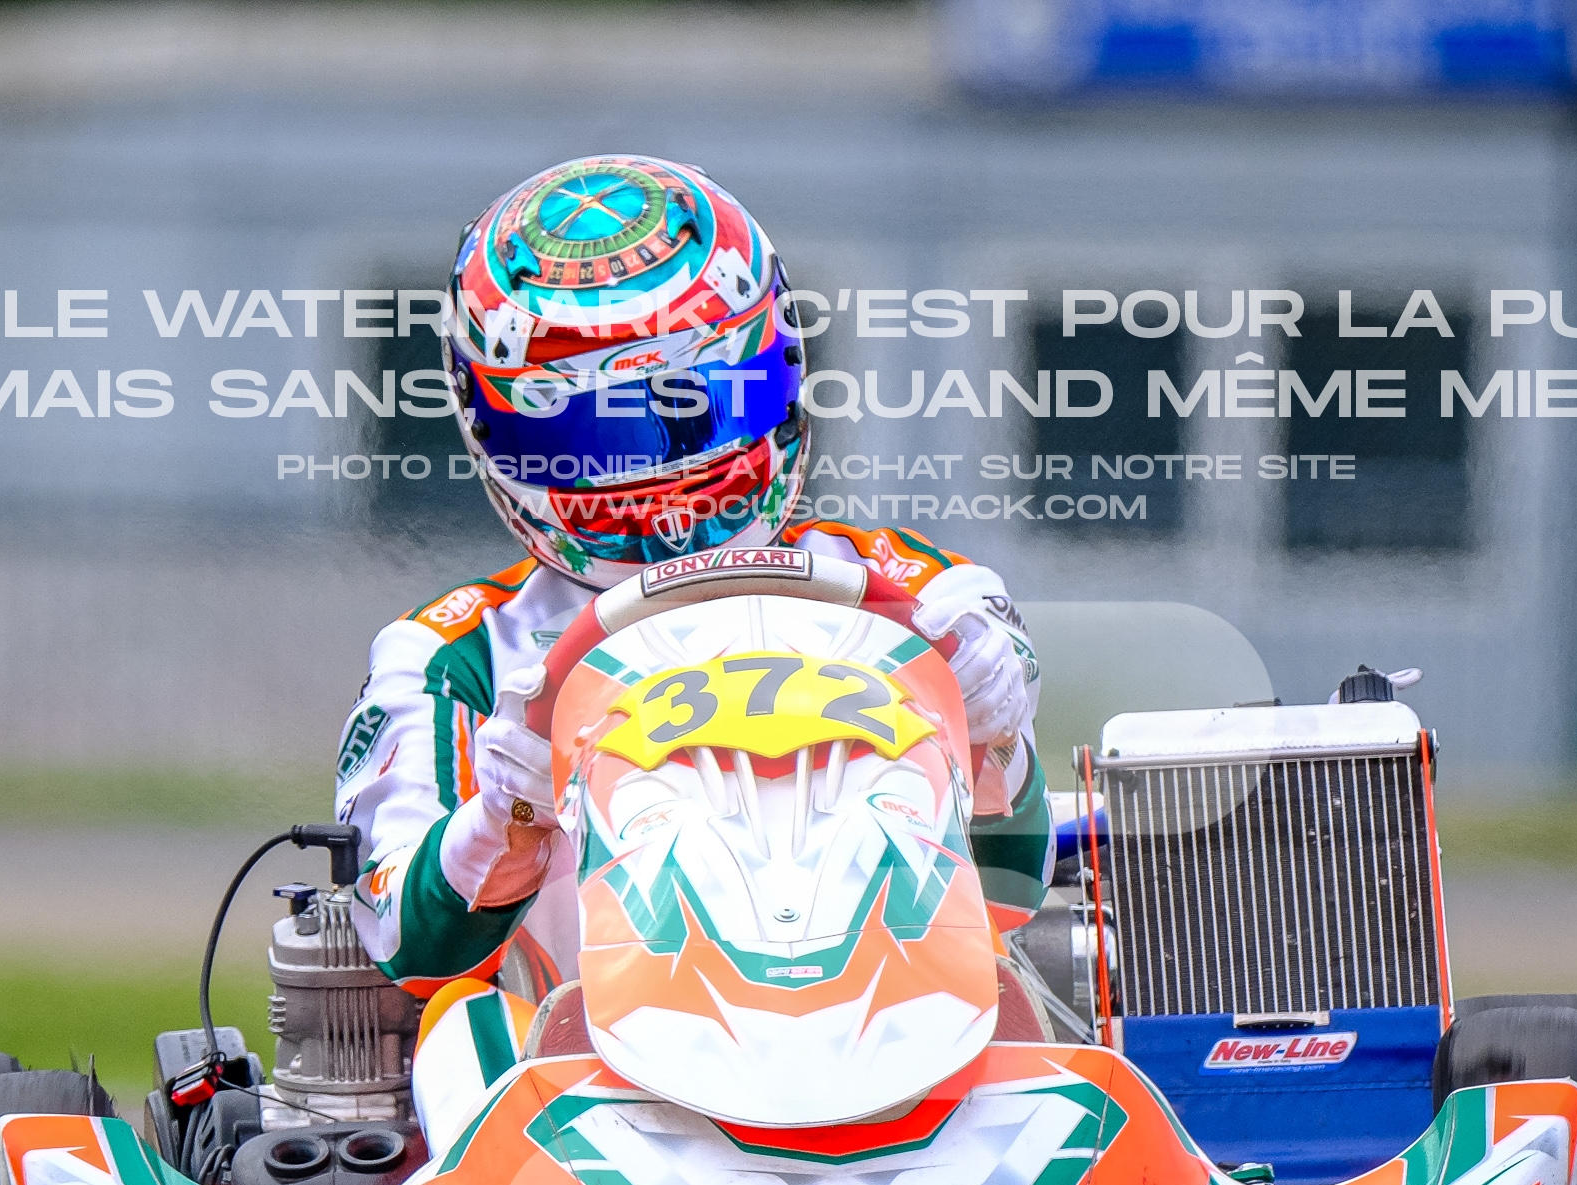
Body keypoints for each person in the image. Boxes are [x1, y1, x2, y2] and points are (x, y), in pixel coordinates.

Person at [335, 154, 1049, 996]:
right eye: (599, 430)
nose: (662, 466)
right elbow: (405, 945)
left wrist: (995, 739)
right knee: (461, 1040)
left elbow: (1011, 896)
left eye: (696, 402)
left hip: (900, 1031)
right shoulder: (455, 656)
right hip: (580, 1053)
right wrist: (504, 818)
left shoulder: (923, 595)